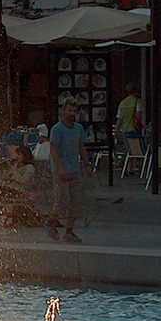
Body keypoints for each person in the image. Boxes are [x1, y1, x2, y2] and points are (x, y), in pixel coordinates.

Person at [47, 97, 90, 243]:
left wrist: (87, 164)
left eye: (74, 111)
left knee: (76, 201)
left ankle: (69, 231)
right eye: (69, 110)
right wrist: (60, 168)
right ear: (63, 111)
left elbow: (81, 147)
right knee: (62, 200)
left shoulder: (78, 128)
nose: (72, 113)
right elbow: (53, 150)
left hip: (74, 168)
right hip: (60, 169)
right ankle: (51, 221)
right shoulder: (57, 129)